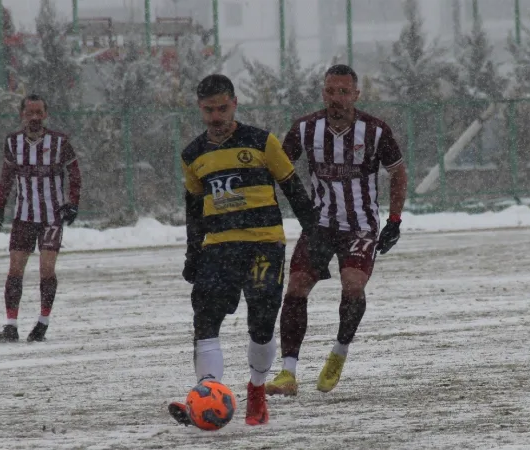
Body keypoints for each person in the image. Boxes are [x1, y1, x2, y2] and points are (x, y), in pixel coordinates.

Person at [167, 74, 318, 426]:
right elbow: (194, 208)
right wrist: (193, 252)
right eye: (208, 110)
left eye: (222, 108)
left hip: (264, 244)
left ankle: (256, 388)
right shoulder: (192, 154)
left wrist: (316, 238)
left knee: (261, 322)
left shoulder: (262, 142)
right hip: (218, 248)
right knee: (205, 317)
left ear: (235, 104)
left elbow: (294, 190)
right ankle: (207, 392)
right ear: (199, 109)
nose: (216, 117)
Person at [266, 64, 408, 396]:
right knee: (297, 286)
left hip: (360, 226)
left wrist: (394, 221)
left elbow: (398, 174)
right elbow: (279, 167)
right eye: (331, 91)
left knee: (353, 284)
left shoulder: (375, 131)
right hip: (320, 225)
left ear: (356, 95)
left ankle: (339, 353)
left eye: (344, 92)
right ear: (323, 93)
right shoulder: (305, 129)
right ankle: (287, 373)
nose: (337, 98)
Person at [0, 94, 82, 343]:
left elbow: (74, 174)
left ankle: (42, 323)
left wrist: (73, 204)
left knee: (46, 269)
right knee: (15, 269)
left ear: (46, 114)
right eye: (30, 112)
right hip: (23, 217)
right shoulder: (13, 142)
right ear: (22, 114)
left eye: (39, 112)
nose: (34, 117)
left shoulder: (60, 142)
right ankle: (11, 325)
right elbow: (7, 177)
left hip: (52, 217)